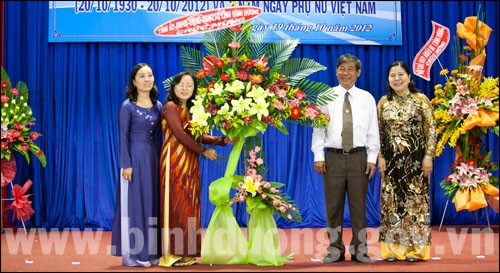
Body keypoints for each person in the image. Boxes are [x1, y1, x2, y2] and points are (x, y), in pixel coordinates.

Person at [158, 71, 233, 267]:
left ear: (194, 90)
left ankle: (188, 252)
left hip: (190, 161)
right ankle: (172, 253)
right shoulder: (170, 107)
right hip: (174, 160)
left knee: (190, 205)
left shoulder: (193, 110)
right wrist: (203, 151)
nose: (184, 88)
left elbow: (198, 134)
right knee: (176, 205)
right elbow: (181, 134)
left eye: (189, 85)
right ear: (174, 87)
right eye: (181, 84)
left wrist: (222, 140)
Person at [311, 53, 380, 263]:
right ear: (336, 71)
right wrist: (318, 155)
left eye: (350, 69)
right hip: (333, 158)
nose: (345, 73)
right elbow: (318, 129)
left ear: (358, 73)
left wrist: (372, 157)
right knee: (333, 207)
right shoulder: (325, 96)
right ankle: (335, 248)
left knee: (359, 207)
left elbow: (372, 130)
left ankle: (360, 250)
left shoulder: (367, 98)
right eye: (342, 69)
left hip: (359, 157)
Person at [377, 61, 436, 262]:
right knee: (391, 205)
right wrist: (380, 157)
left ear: (409, 77)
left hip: (416, 162)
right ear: (388, 79)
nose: (397, 79)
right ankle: (393, 250)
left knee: (415, 205)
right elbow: (378, 133)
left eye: (400, 74)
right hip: (391, 162)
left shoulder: (421, 100)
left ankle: (415, 250)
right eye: (392, 75)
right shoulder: (384, 102)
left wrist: (429, 156)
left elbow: (431, 130)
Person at [111, 63, 163, 267]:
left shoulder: (158, 106)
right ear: (134, 81)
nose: (147, 79)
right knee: (135, 205)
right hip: (134, 160)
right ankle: (135, 254)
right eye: (142, 76)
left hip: (154, 158)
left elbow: (160, 136)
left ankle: (152, 253)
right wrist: (126, 164)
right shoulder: (127, 106)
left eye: (150, 75)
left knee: (152, 204)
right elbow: (122, 137)